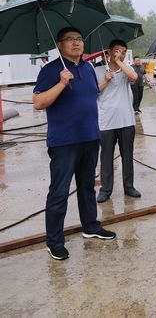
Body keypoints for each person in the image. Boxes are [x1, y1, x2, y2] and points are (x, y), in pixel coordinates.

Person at [33, 26, 116, 260]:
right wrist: (60, 84)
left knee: (88, 186)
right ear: (59, 45)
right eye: (69, 39)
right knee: (59, 192)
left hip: (90, 137)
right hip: (64, 141)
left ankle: (90, 227)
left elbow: (90, 94)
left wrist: (106, 82)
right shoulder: (51, 70)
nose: (76, 43)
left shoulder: (88, 68)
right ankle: (55, 242)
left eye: (79, 39)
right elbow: (38, 102)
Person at [94, 39, 141, 203]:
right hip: (106, 121)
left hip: (127, 120)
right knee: (106, 157)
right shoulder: (98, 70)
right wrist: (106, 80)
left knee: (127, 156)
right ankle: (106, 189)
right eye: (116, 51)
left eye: (123, 51)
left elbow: (135, 77)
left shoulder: (126, 70)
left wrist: (119, 62)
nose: (119, 53)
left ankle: (129, 187)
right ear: (108, 52)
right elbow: (92, 93)